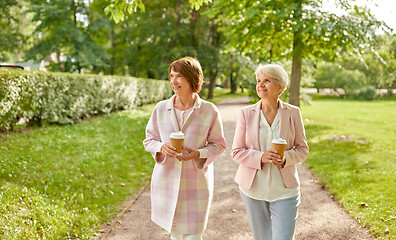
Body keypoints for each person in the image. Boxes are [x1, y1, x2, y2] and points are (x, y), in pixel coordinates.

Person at [143, 57, 226, 240]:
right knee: (175, 234)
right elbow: (149, 139)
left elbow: (219, 145)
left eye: (179, 76)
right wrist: (161, 147)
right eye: (171, 76)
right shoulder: (161, 108)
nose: (173, 80)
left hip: (196, 185)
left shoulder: (209, 110)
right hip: (167, 181)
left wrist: (199, 154)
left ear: (192, 78)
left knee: (194, 235)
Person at [231, 64, 309, 240]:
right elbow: (236, 151)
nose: (261, 85)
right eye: (259, 81)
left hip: (285, 190)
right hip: (253, 189)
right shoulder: (246, 114)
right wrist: (261, 157)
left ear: (280, 87)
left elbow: (303, 150)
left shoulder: (293, 113)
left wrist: (285, 158)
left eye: (267, 80)